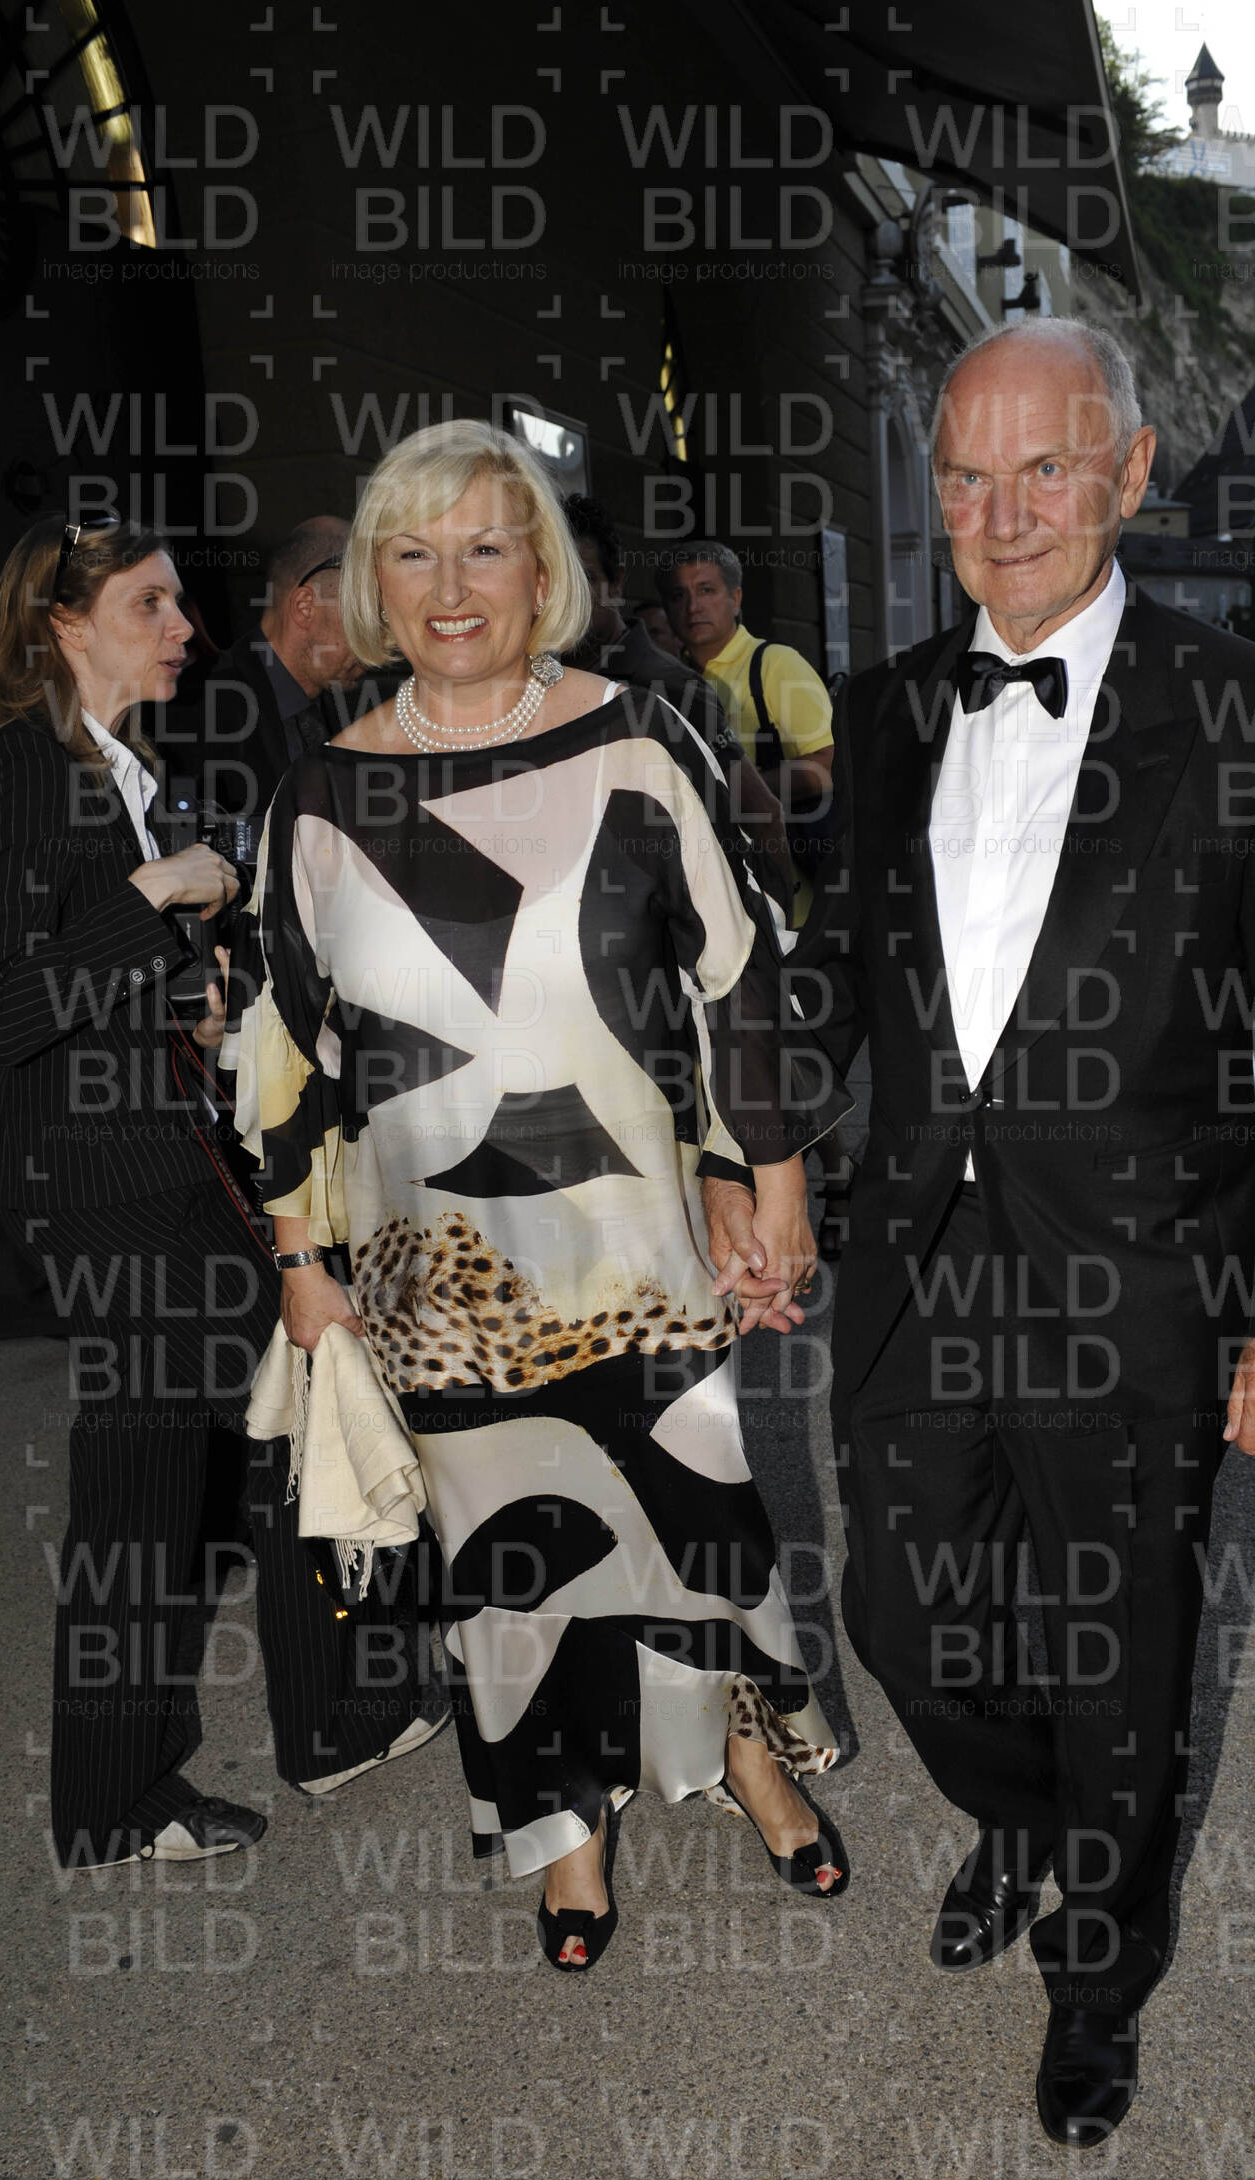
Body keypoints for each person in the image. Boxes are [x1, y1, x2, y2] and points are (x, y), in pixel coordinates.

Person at [792, 320, 1255, 2144]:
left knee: (1119, 1654)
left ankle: (1100, 1971)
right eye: (966, 477)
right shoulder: (885, 708)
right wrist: (750, 1144)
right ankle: (1026, 1816)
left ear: (1128, 473)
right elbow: (836, 975)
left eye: (1044, 469)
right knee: (905, 1619)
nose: (1001, 514)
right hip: (917, 1266)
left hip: (1140, 1278)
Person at [222, 420, 852, 1972]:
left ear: (542, 571)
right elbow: (286, 1049)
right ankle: (560, 1820)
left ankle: (745, 1749)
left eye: (484, 548)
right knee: (508, 1560)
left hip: (636, 1247)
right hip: (435, 1275)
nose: (451, 588)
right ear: (372, 585)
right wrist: (299, 1260)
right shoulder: (318, 797)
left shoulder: (639, 740)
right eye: (412, 554)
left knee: (698, 1514)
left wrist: (767, 1173)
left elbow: (737, 973)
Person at [0, 516, 447, 1868]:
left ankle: (246, 1745)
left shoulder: (114, 767)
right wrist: (157, 888)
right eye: (151, 605)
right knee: (192, 1457)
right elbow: (3, 1006)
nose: (185, 630)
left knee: (207, 1452)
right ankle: (282, 1734)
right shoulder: (22, 767)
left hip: (149, 1161)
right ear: (63, 622)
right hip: (96, 1185)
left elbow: (86, 982)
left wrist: (192, 999)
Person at [562, 493, 794, 916]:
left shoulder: (672, 689)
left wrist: (774, 941)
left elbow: (762, 815)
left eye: (585, 578)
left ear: (617, 583)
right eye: (554, 579)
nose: (568, 597)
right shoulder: (533, 686)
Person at [160, 517, 369, 835]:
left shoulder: (353, 709)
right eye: (363, 616)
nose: (378, 636)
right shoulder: (195, 710)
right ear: (305, 607)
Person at [656, 541, 835, 867]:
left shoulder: (776, 664)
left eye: (706, 590)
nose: (693, 606)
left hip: (783, 878)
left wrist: (741, 791)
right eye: (678, 595)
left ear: (735, 598)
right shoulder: (668, 682)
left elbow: (828, 765)